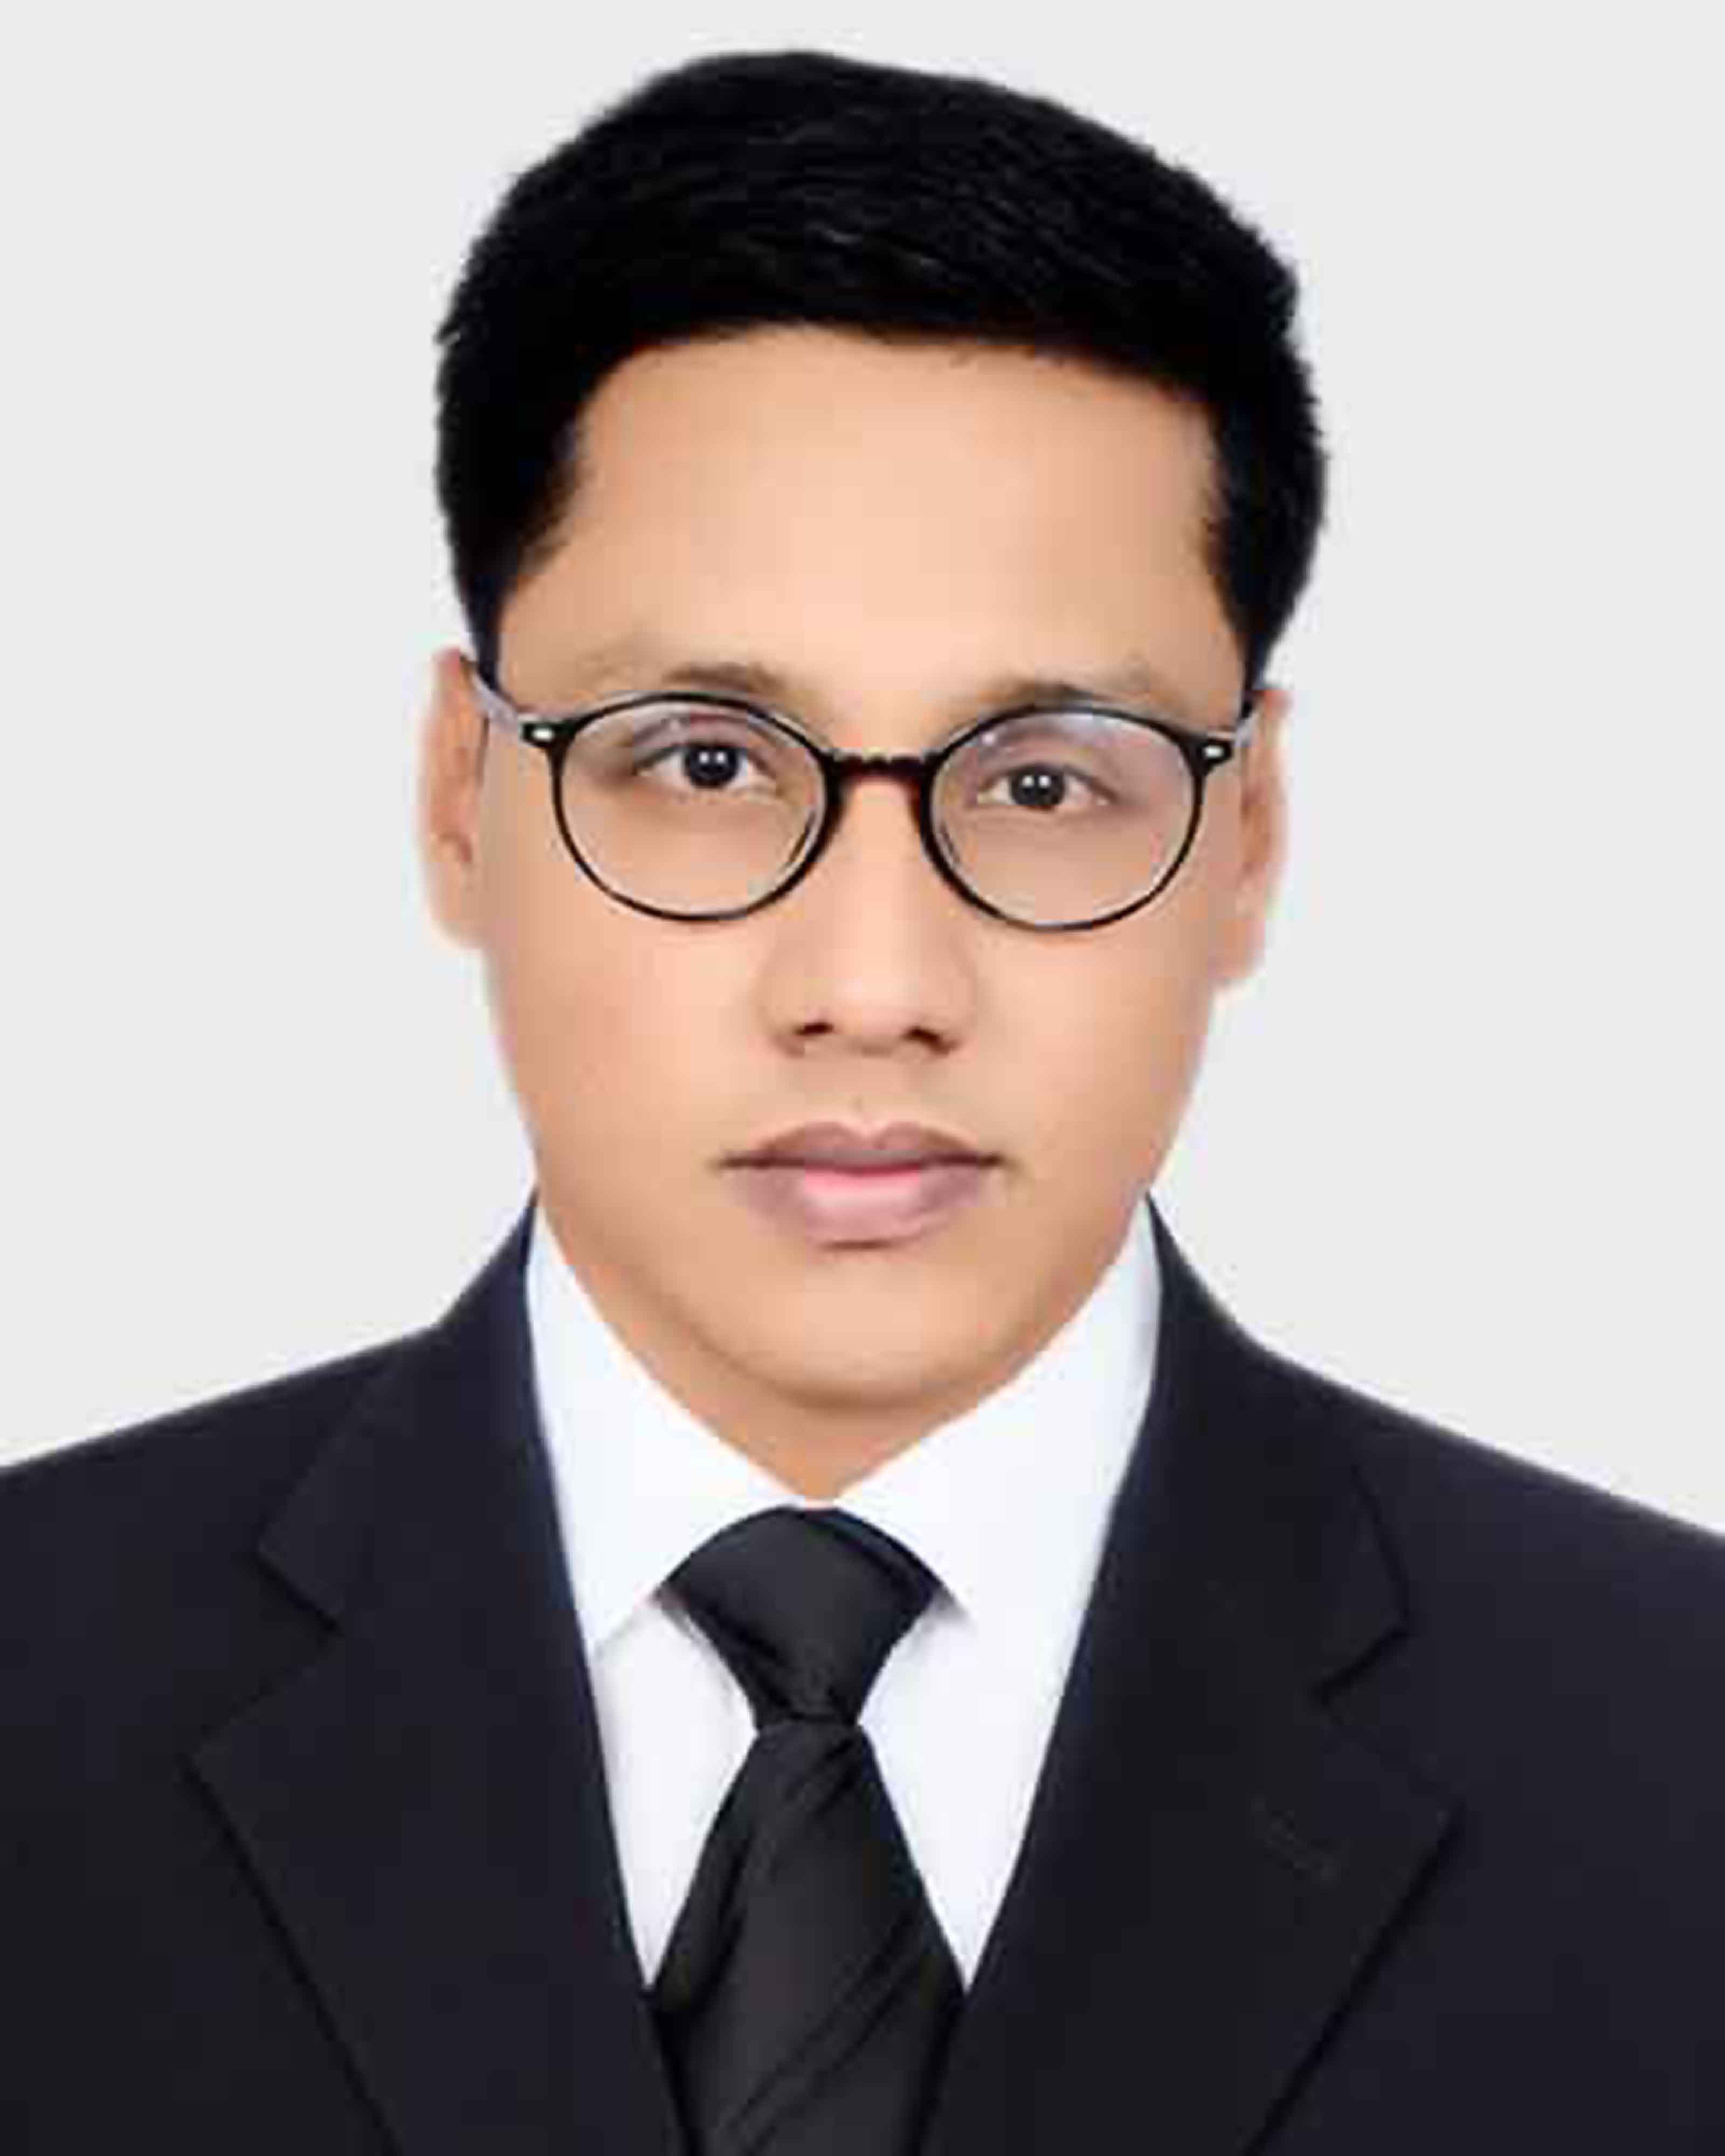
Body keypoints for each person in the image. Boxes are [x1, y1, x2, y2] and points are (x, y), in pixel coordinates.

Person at [4, 44, 1721, 2155]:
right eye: (707, 762)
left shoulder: (1677, 1752)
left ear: (1248, 838)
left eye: (1045, 782)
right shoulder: (35, 1683)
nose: (875, 989)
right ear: (462, 797)